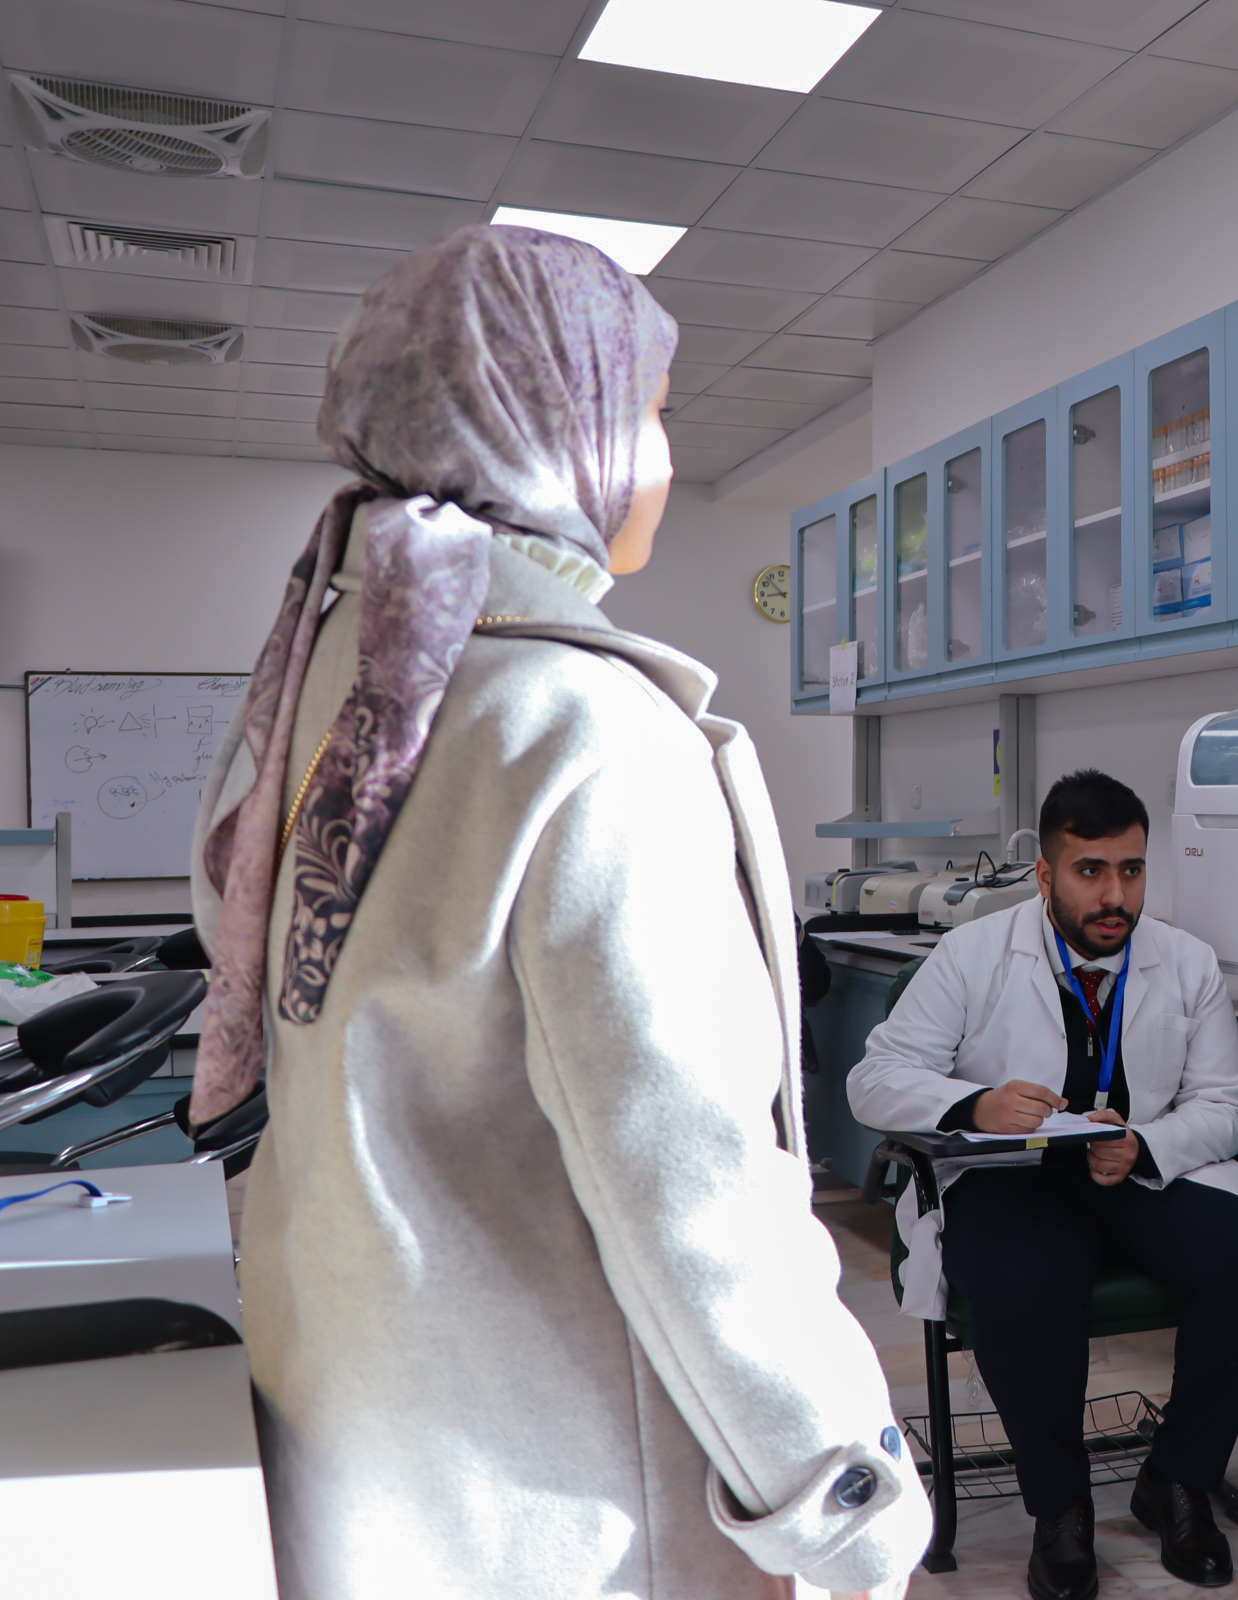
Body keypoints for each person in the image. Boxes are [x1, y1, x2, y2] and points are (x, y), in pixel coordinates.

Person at [190, 225, 927, 1600]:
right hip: (562, 1492)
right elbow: (685, 1185)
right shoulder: (583, 729)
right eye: (650, 412)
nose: (662, 457)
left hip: (363, 1430)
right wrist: (846, 1504)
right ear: (552, 423)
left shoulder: (328, 691)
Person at [849, 770, 1238, 1600]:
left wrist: (1146, 1144)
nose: (1114, 896)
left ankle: (1177, 1478)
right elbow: (874, 1081)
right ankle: (1061, 1510)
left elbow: (1226, 1104)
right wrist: (976, 1105)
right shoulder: (973, 955)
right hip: (1009, 1177)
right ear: (1045, 874)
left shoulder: (1185, 961)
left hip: (1135, 1172)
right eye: (1090, 871)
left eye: (1131, 870)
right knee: (1027, 1282)